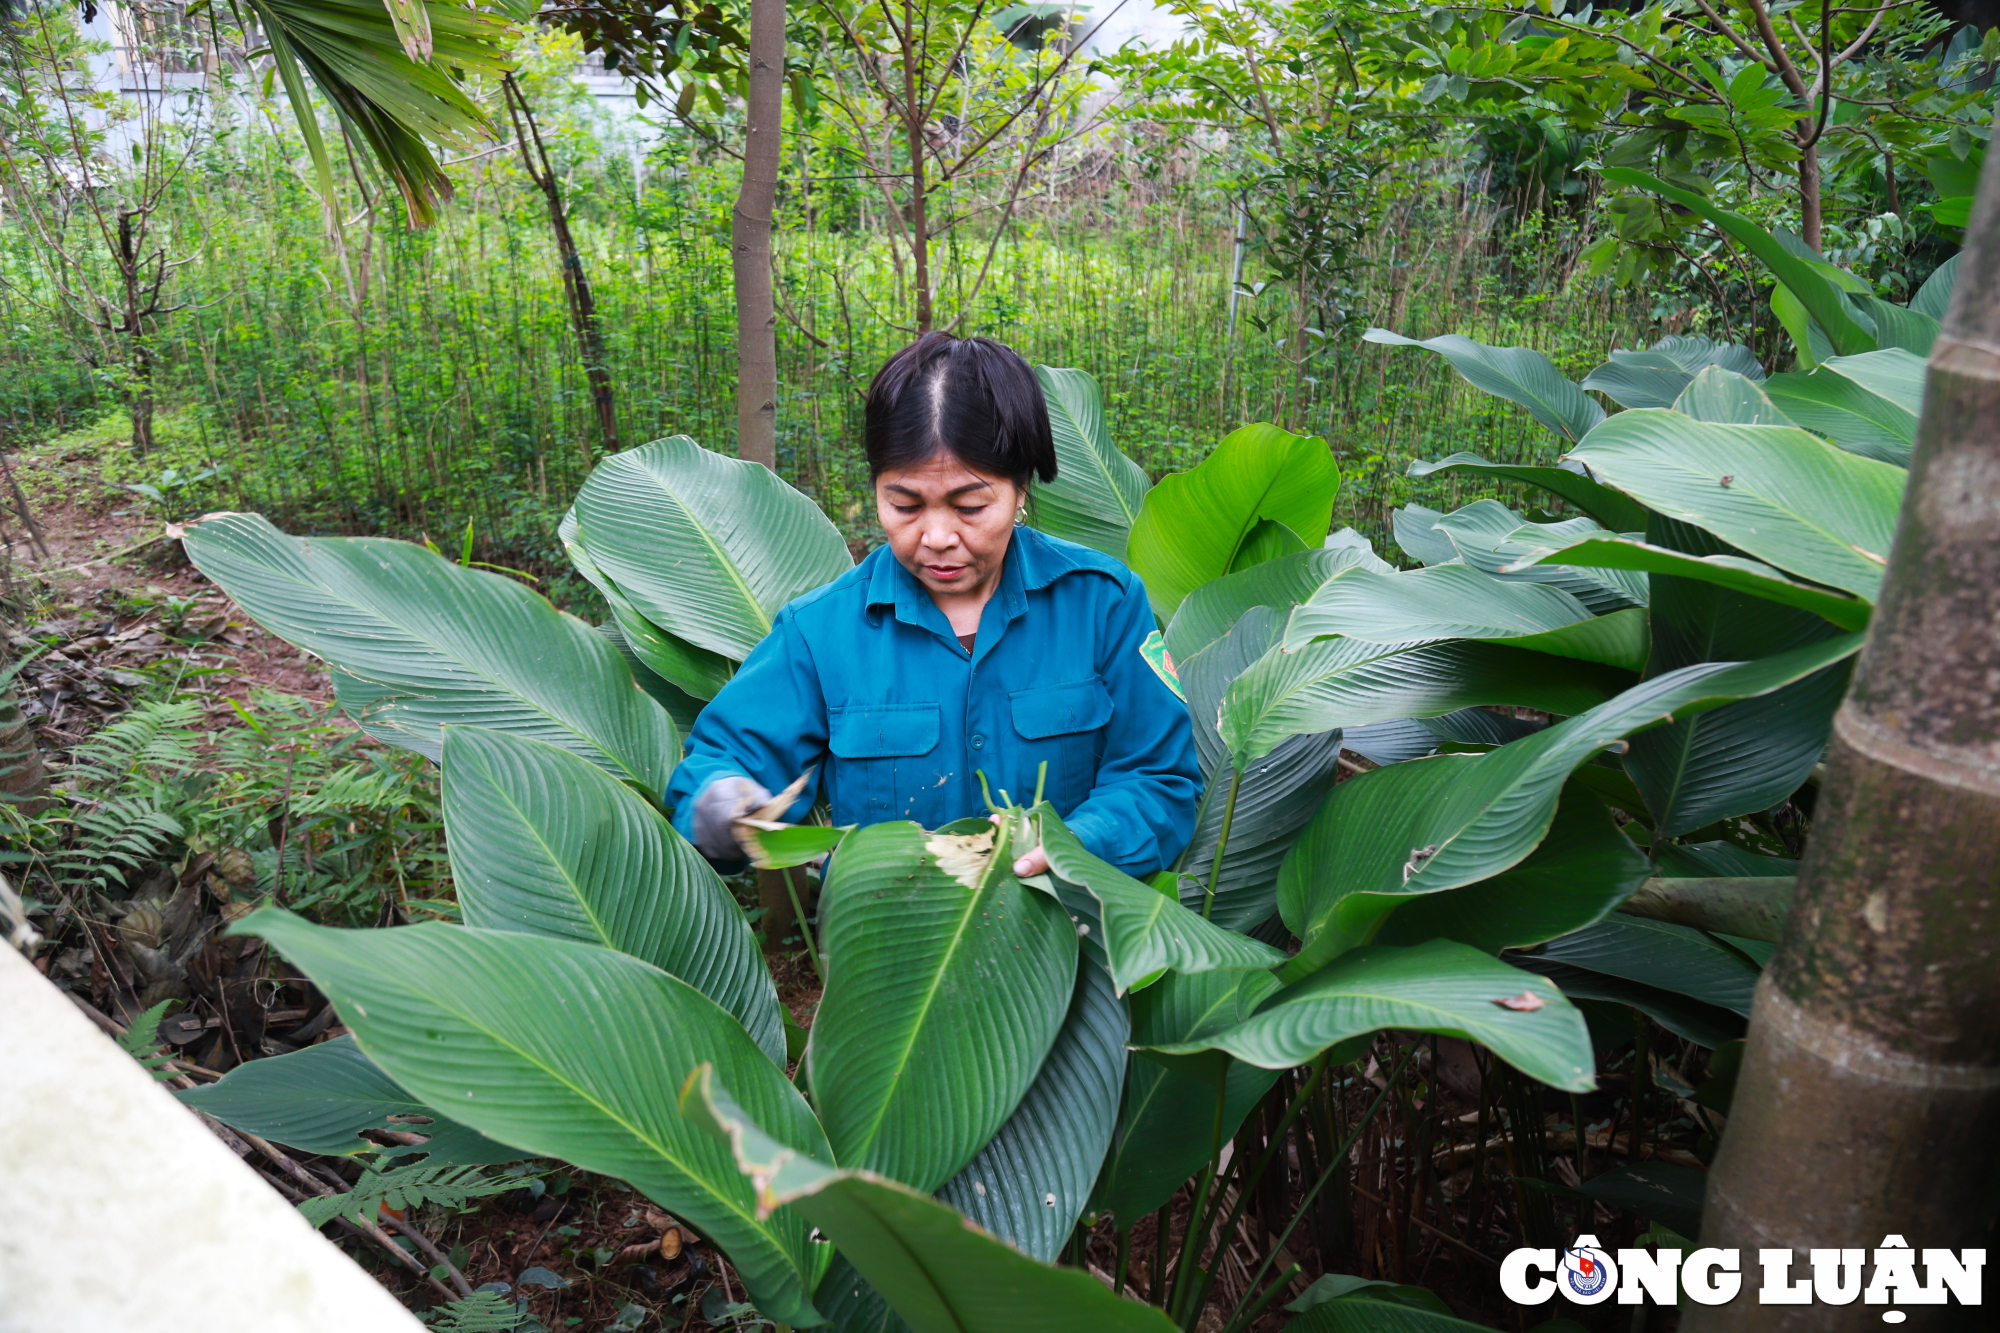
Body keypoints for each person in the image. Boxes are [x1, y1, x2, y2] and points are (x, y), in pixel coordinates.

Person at [666, 332, 1200, 880]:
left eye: (970, 507)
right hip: (892, 942)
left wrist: (1076, 844)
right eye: (904, 504)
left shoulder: (1102, 603)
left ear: (1020, 490)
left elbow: (1159, 779)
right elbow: (723, 761)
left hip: (1066, 941)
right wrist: (723, 804)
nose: (937, 536)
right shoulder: (820, 631)